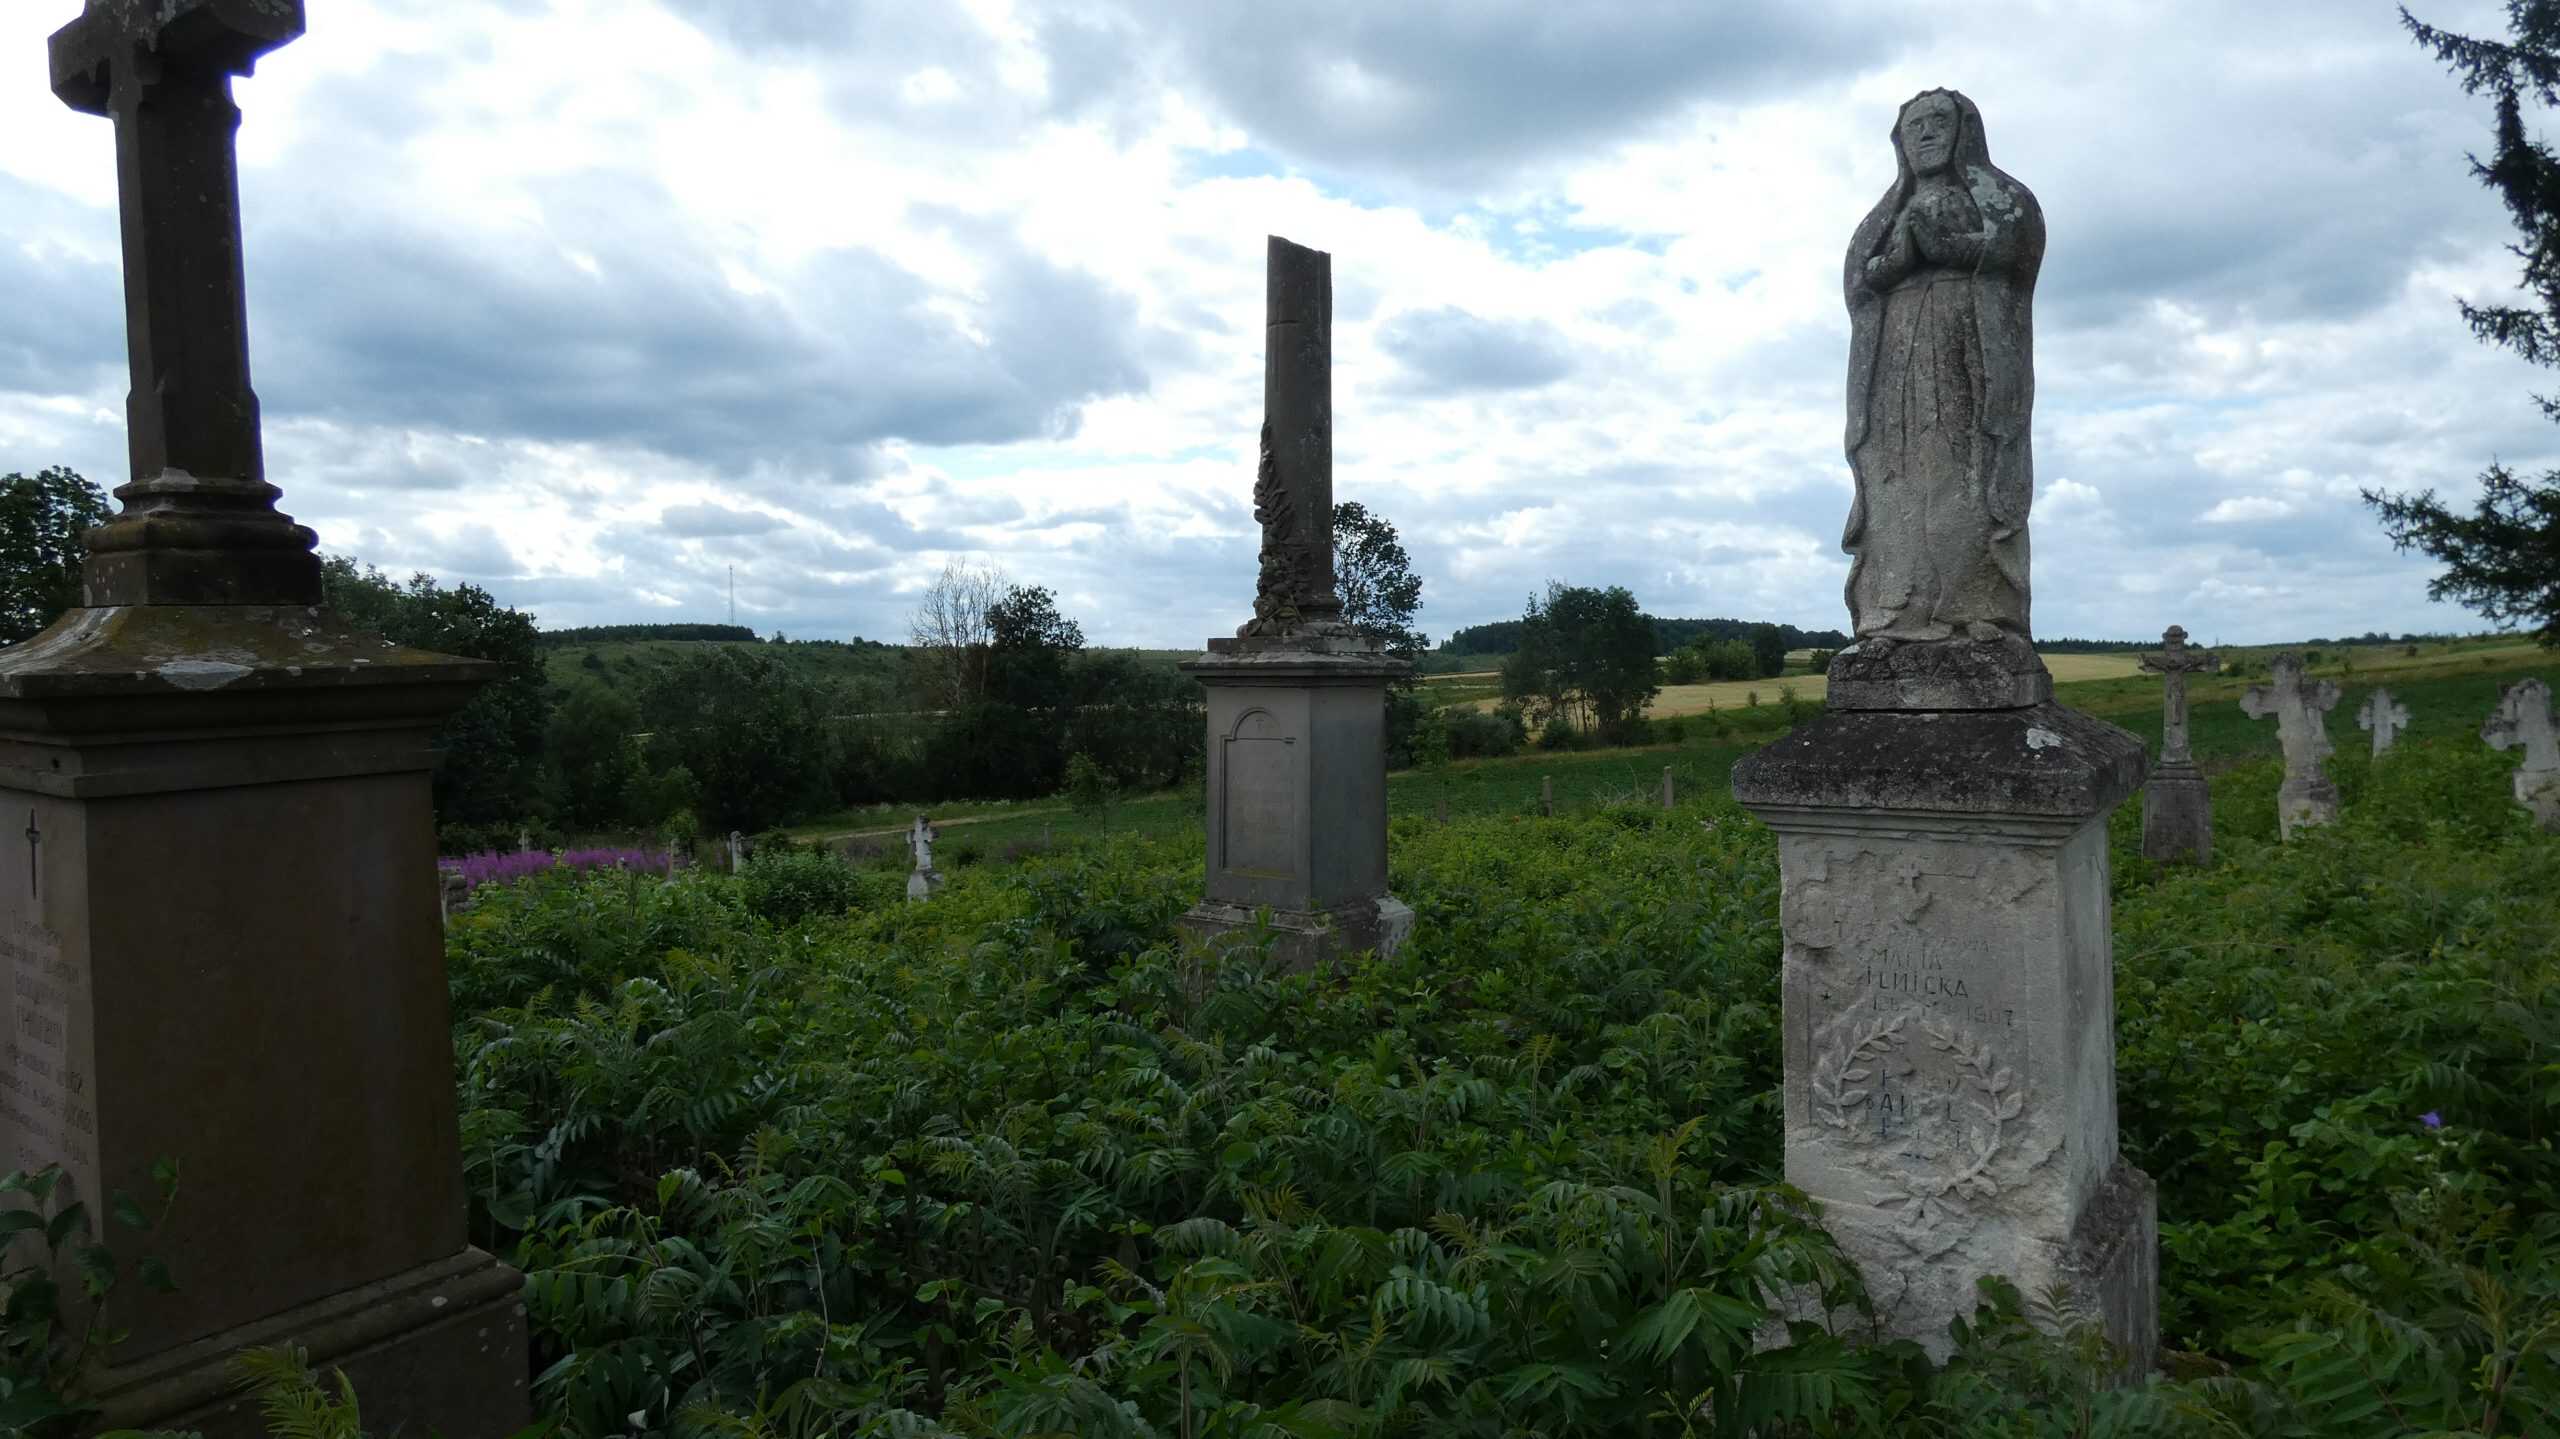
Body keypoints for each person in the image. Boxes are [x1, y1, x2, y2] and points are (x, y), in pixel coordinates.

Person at [1841, 89, 2043, 648]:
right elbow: (1858, 283)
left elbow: (2017, 256)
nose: (1926, 133)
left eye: (1938, 122)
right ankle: (1892, 613)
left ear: (1964, 132)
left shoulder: (2002, 198)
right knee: (1895, 477)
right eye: (1915, 126)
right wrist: (1899, 260)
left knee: (1968, 474)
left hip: (1967, 352)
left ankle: (1979, 608)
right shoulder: (1885, 215)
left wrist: (1951, 248)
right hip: (1894, 363)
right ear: (1900, 141)